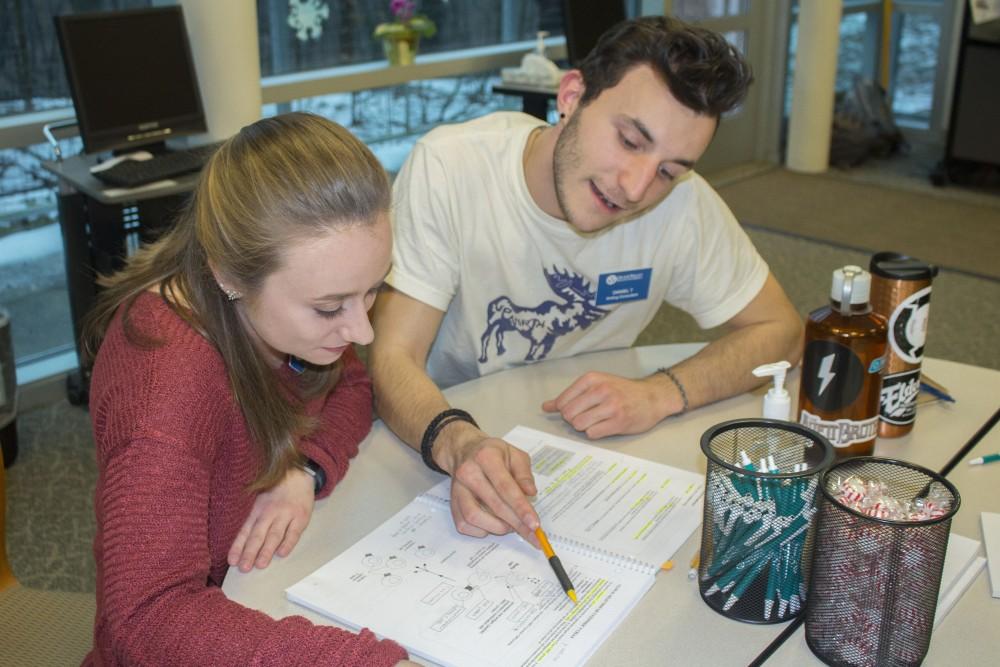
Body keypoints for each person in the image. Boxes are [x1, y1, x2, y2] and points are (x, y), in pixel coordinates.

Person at [369, 16, 803, 547]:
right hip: (438, 439)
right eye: (629, 140)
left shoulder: (684, 205)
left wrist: (662, 393)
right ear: (572, 95)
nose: (637, 186)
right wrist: (457, 442)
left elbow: (780, 329)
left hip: (580, 451)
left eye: (669, 170)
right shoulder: (452, 167)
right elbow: (392, 355)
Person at [82, 113, 417, 666]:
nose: (362, 331)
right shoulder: (165, 387)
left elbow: (352, 384)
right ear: (230, 275)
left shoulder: (287, 312)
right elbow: (143, 618)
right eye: (330, 307)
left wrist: (303, 469)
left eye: (373, 291)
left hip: (258, 599)